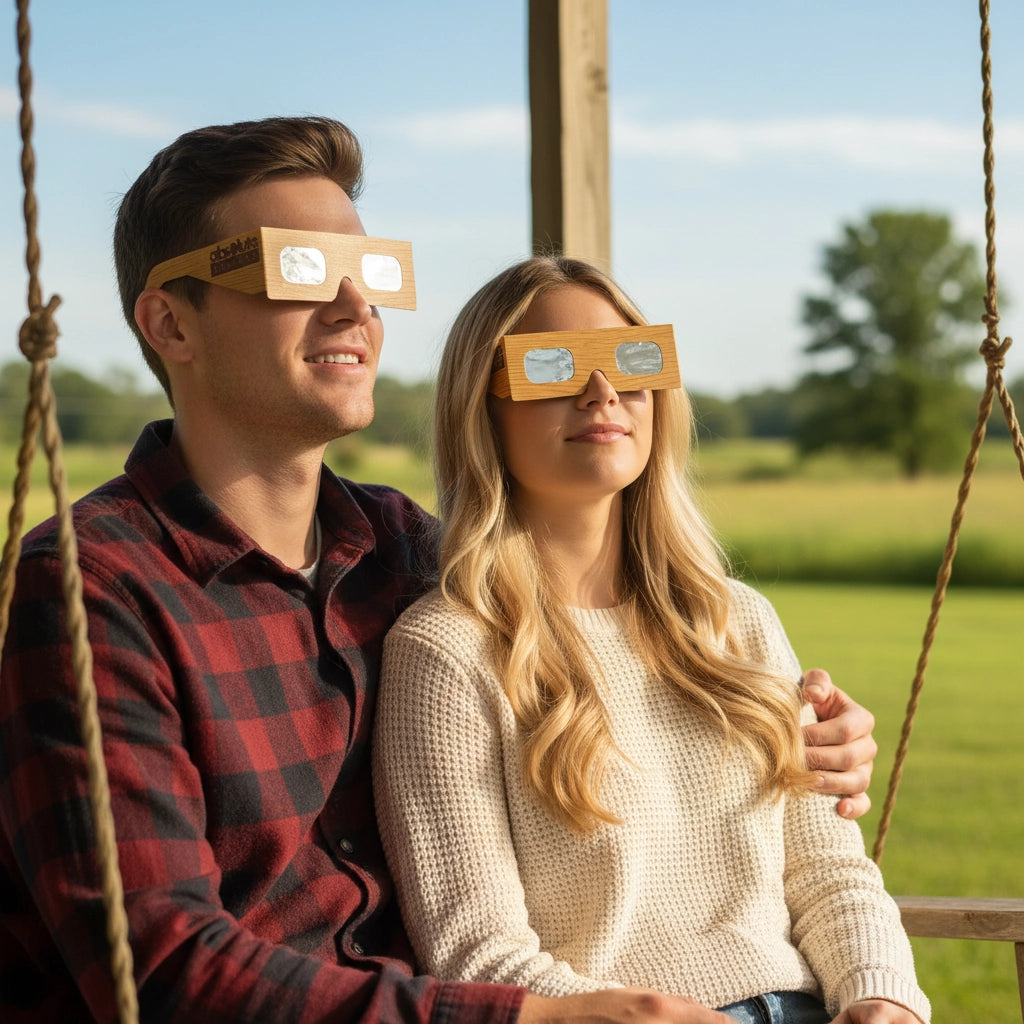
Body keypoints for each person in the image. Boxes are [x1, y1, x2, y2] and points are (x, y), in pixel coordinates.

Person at [0, 116, 875, 1024]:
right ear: (171, 323)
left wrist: (796, 728)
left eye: (372, 273)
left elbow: (606, 676)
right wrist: (534, 1018)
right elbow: (161, 968)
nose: (356, 307)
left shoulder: (406, 551)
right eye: (298, 269)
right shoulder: (92, 589)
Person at [372, 255, 930, 1024]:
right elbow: (479, 955)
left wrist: (881, 998)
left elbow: (828, 873)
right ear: (481, 407)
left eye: (632, 360)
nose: (602, 391)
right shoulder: (445, 653)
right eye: (553, 365)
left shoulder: (738, 619)